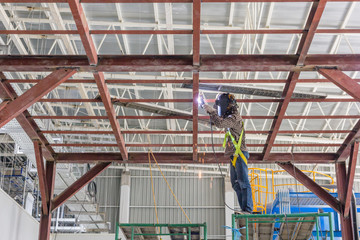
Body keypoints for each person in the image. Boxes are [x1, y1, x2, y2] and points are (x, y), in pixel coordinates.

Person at [202, 93, 253, 214]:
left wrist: (212, 112)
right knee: (235, 184)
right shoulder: (229, 118)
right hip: (234, 155)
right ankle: (243, 208)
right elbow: (218, 122)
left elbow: (220, 124)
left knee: (243, 181)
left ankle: (248, 209)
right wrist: (208, 110)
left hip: (240, 154)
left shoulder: (234, 118)